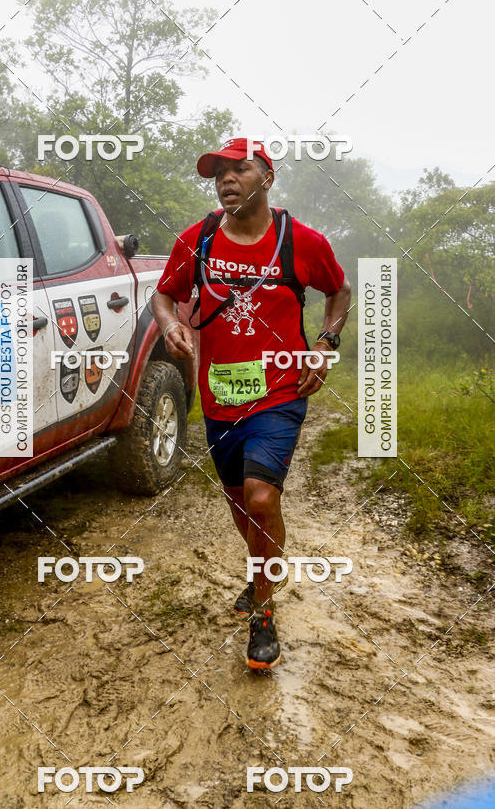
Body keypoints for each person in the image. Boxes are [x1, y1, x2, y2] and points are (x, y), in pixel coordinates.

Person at [151, 137, 351, 669]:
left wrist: (325, 344)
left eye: (238, 169)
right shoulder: (197, 240)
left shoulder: (302, 241)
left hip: (280, 392)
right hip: (220, 397)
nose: (226, 180)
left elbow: (340, 292)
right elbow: (164, 294)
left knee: (262, 499)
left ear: (267, 176)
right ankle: (261, 571)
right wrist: (170, 324)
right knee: (241, 503)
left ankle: (263, 611)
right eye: (218, 173)